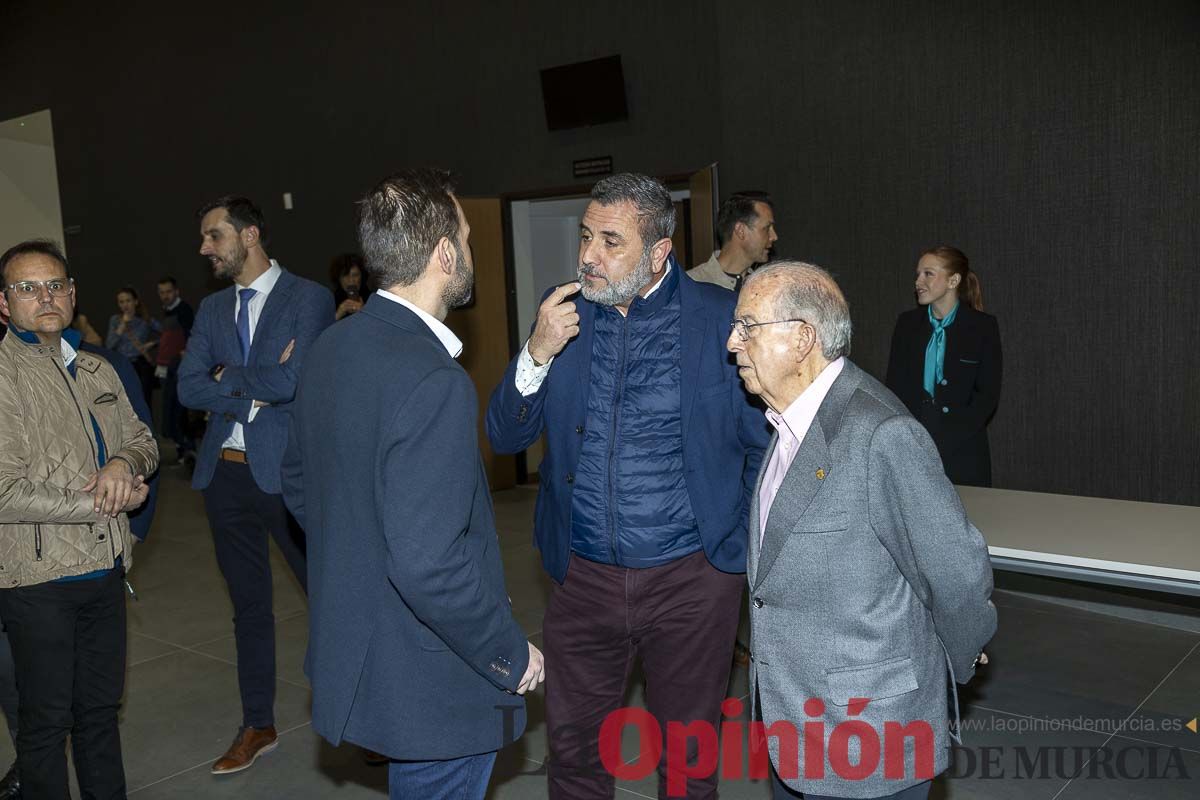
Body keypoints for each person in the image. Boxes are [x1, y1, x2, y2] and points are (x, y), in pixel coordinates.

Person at [487, 172, 769, 799]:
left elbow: (764, 444)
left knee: (687, 760)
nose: (588, 255)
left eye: (610, 241)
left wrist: (730, 549)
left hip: (691, 584)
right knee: (575, 756)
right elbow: (504, 437)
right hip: (583, 579)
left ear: (658, 252)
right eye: (586, 236)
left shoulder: (720, 320)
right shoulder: (560, 318)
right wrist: (535, 351)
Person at [283, 168, 543, 800]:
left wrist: (362, 558)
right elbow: (430, 563)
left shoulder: (331, 347)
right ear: (444, 256)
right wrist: (508, 652)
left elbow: (295, 480)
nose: (472, 253)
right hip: (431, 684)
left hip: (371, 657)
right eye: (468, 239)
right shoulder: (433, 382)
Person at [728, 261, 996, 799]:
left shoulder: (881, 434)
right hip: (794, 727)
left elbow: (958, 574)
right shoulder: (786, 423)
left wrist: (955, 660)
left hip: (866, 736)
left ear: (802, 339)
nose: (733, 343)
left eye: (747, 326)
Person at [178, 195, 334, 775]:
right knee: (248, 608)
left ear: (249, 235)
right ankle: (257, 723)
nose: (204, 249)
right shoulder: (213, 309)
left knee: (329, 596)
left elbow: (297, 380)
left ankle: (363, 710)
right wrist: (253, 383)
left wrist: (228, 376)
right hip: (225, 476)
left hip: (287, 475)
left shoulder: (307, 297)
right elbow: (189, 387)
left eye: (214, 236)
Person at [0, 239, 158, 799]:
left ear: (71, 295)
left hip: (106, 572)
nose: (44, 296)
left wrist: (122, 462)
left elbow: (143, 441)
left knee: (98, 718)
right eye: (27, 287)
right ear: (4, 303)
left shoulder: (97, 366)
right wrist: (104, 500)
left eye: (56, 285)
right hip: (38, 584)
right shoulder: (3, 376)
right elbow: (4, 491)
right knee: (45, 729)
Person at [885, 246, 1002, 486]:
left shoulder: (982, 327)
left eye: (928, 273)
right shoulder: (906, 325)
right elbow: (894, 389)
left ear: (953, 280)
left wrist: (948, 439)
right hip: (914, 449)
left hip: (964, 452)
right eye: (918, 274)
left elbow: (987, 396)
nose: (918, 281)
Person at [687, 191, 778, 291]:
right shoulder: (691, 284)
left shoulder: (766, 287)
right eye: (766, 228)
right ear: (741, 231)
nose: (774, 237)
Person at [155, 277, 197, 464]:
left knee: (180, 412)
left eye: (168, 292)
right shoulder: (167, 312)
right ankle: (183, 452)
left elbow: (192, 337)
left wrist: (183, 357)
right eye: (162, 292)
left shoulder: (184, 310)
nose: (165, 296)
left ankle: (189, 450)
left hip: (179, 369)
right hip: (167, 368)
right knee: (170, 413)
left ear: (176, 291)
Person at [104, 286, 159, 406]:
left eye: (128, 301)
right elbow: (109, 345)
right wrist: (121, 327)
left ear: (136, 302)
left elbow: (166, 333)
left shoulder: (145, 320)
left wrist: (152, 344)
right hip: (123, 365)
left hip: (140, 365)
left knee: (143, 402)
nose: (125, 305)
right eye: (121, 302)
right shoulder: (115, 320)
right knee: (124, 403)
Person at [330, 253, 368, 319]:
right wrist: (338, 314)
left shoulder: (372, 299)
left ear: (362, 277)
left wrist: (365, 312)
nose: (351, 280)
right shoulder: (330, 301)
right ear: (339, 278)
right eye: (345, 275)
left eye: (355, 275)